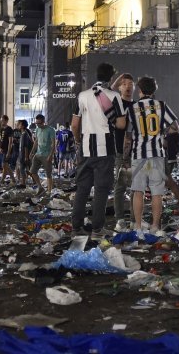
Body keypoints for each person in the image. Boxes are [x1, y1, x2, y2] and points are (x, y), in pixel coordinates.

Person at [71, 62, 127, 237]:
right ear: (111, 77)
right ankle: (97, 229)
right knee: (101, 190)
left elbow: (74, 125)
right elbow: (121, 123)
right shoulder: (114, 96)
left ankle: (76, 228)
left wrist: (79, 141)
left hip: (86, 148)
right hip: (105, 148)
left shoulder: (82, 95)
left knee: (82, 189)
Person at [124, 76, 178, 236]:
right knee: (157, 192)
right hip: (157, 155)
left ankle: (139, 227)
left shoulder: (132, 108)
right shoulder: (161, 105)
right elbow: (174, 127)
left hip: (139, 154)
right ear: (154, 91)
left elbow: (128, 135)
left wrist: (127, 154)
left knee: (138, 191)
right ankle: (155, 226)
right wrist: (162, 134)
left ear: (139, 90)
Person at [110, 73, 135, 222]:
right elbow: (108, 92)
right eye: (125, 84)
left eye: (131, 84)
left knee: (136, 186)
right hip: (119, 150)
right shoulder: (115, 104)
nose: (129, 87)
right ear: (119, 87)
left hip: (136, 152)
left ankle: (134, 217)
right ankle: (119, 217)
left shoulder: (137, 106)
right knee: (120, 186)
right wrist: (120, 77)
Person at [29, 114, 56, 195]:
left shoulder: (51, 130)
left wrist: (50, 155)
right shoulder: (37, 130)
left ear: (44, 122)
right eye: (37, 123)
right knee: (32, 171)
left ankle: (49, 191)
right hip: (38, 154)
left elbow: (53, 144)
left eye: (39, 123)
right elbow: (36, 142)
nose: (38, 125)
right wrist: (32, 152)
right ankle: (40, 187)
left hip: (46, 155)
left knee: (48, 174)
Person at [0, 116, 16, 184]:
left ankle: (13, 179)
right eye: (1, 121)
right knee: (5, 166)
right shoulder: (1, 129)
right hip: (2, 149)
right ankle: (3, 179)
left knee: (4, 164)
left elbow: (10, 141)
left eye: (2, 121)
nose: (1, 122)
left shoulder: (9, 129)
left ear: (6, 121)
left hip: (8, 150)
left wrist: (8, 152)